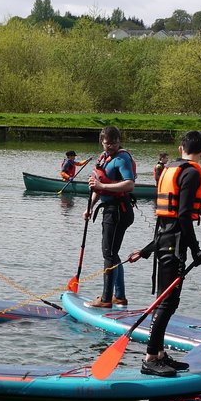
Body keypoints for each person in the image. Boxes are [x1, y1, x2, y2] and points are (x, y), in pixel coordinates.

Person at [143, 130, 201, 377]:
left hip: (165, 236)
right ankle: (150, 357)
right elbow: (183, 214)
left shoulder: (170, 168)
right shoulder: (191, 173)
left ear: (181, 149)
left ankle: (159, 354)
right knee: (167, 300)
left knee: (167, 299)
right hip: (175, 241)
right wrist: (195, 249)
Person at [84, 126, 136, 309]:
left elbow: (129, 185)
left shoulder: (122, 159)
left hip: (119, 210)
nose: (111, 146)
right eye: (108, 143)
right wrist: (89, 208)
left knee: (109, 254)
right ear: (102, 141)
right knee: (112, 254)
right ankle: (119, 297)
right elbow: (97, 186)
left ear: (119, 141)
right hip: (109, 209)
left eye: (114, 143)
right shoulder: (103, 158)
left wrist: (102, 186)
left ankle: (106, 300)